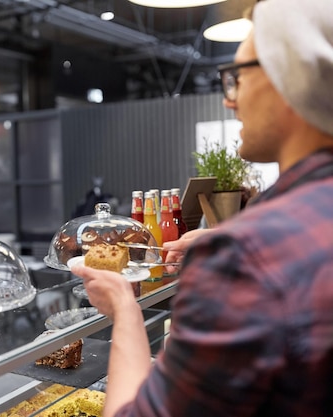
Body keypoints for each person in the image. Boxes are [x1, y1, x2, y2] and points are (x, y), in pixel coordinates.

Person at [71, 0, 333, 415]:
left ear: (290, 76)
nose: (230, 100)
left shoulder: (244, 258)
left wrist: (124, 309)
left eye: (236, 77)